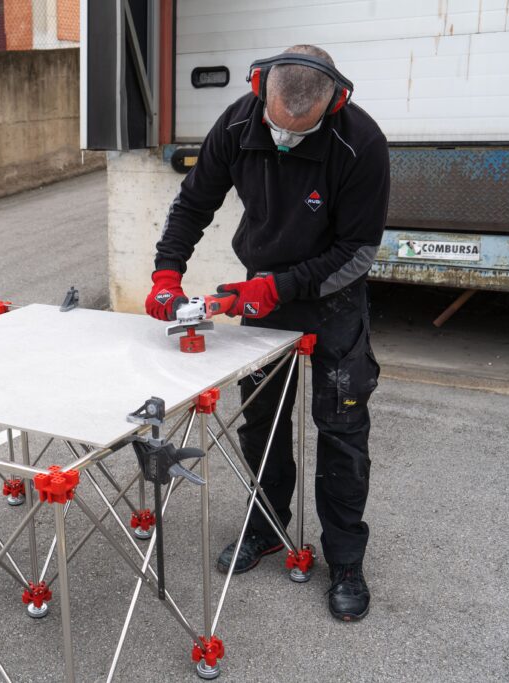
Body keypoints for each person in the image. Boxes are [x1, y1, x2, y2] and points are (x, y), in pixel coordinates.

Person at [144, 44, 388, 621]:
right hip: (265, 297)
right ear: (262, 93)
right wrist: (165, 273)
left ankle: (346, 558)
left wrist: (277, 287)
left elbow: (358, 254)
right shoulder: (236, 123)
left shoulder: (363, 143)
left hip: (333, 300)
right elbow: (193, 204)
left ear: (334, 105)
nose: (284, 139)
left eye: (298, 132)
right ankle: (268, 526)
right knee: (262, 422)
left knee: (342, 431)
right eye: (278, 125)